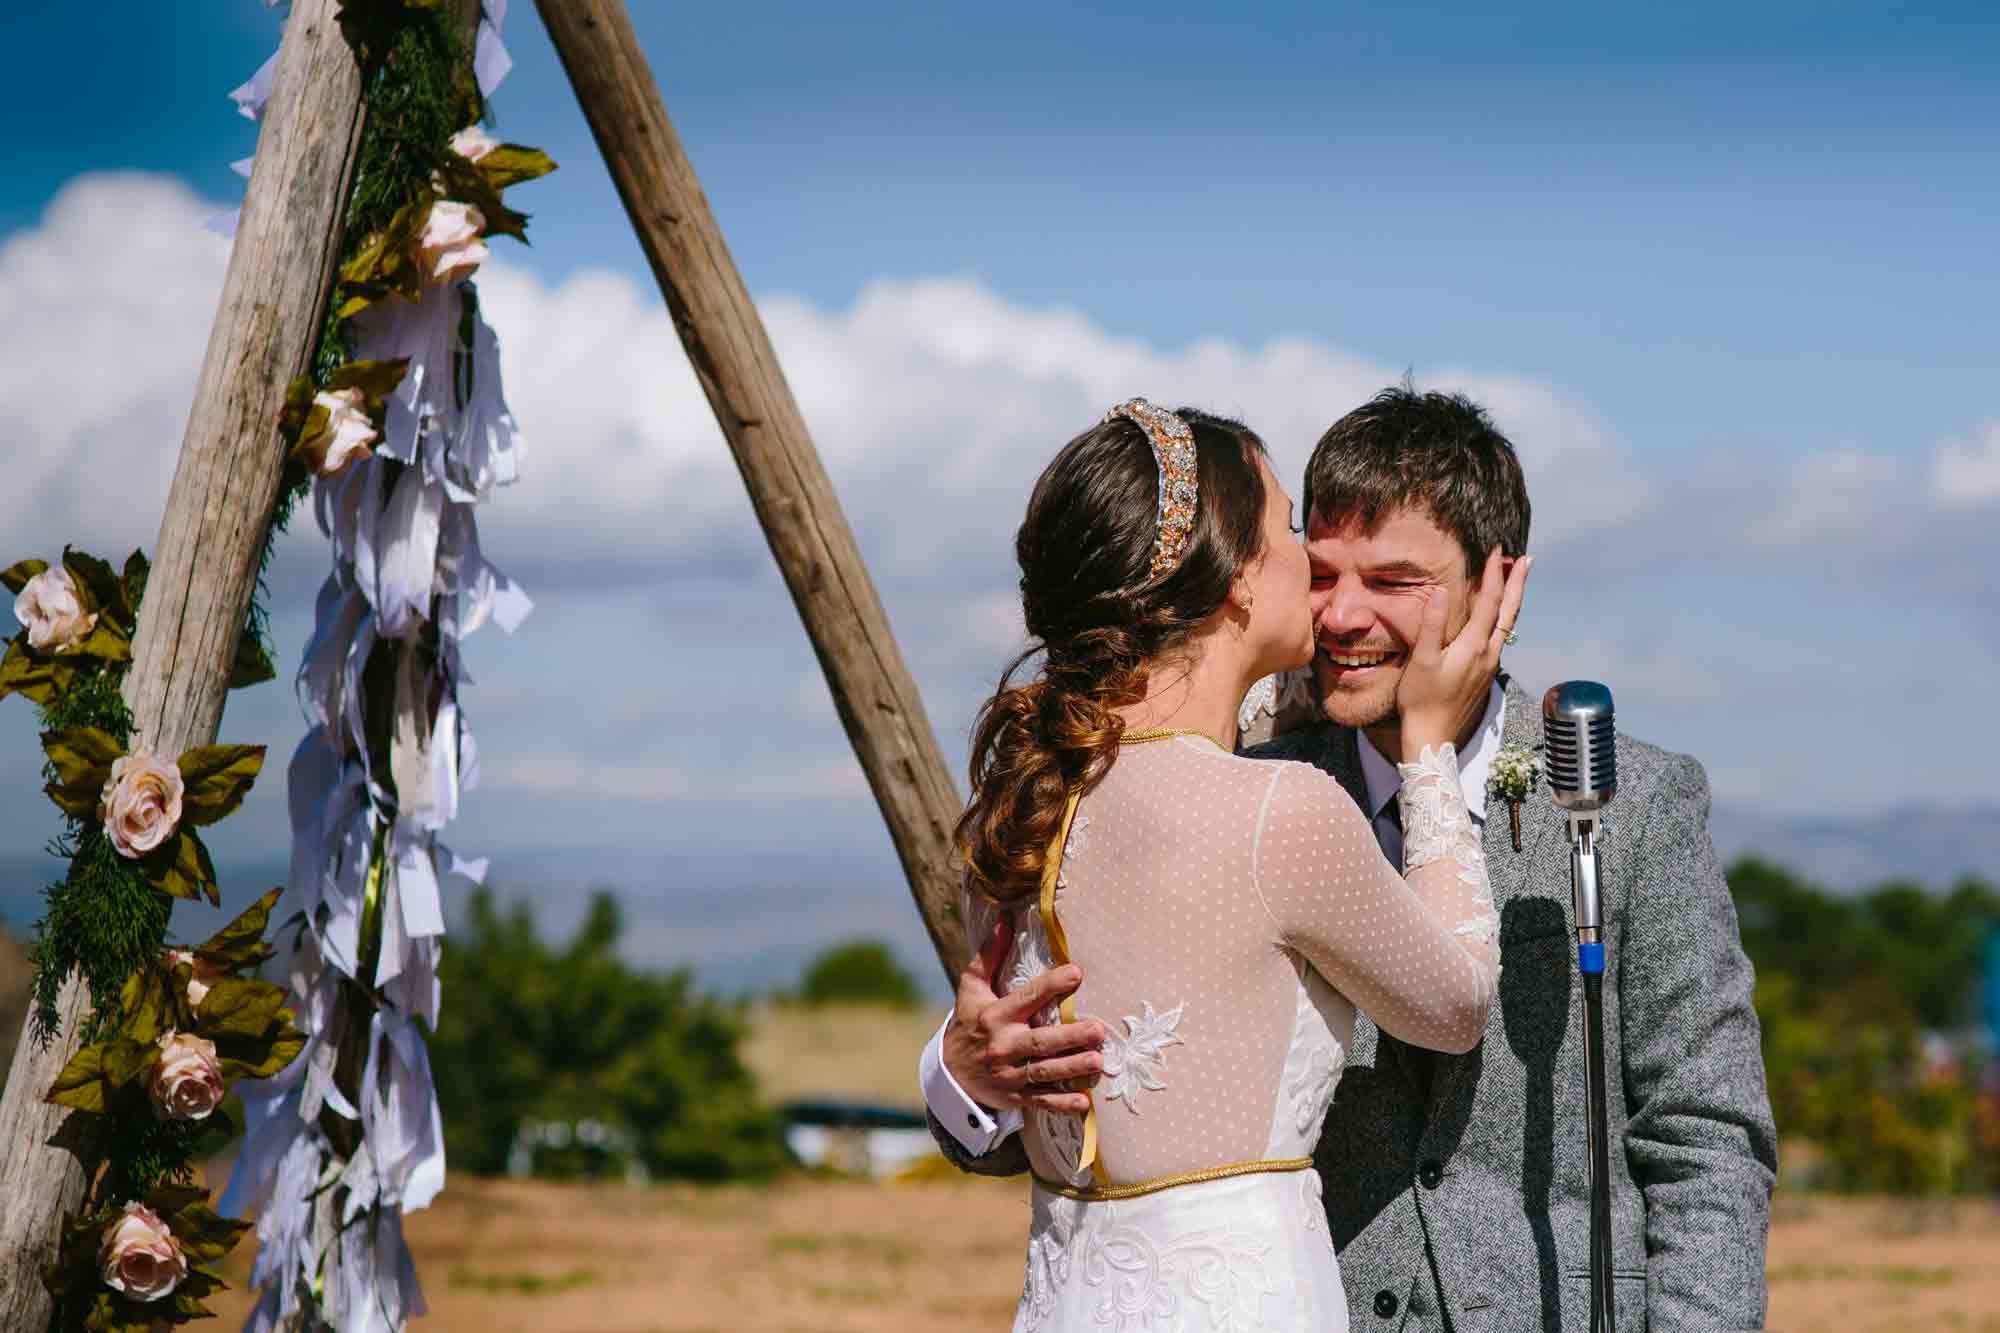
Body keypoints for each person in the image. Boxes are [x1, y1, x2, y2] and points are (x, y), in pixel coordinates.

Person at [923, 386, 1779, 1332]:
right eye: (1321, 571)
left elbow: (1705, 1134)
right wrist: (960, 1077)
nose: (1342, 616)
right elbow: (1101, 1121)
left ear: (1497, 585)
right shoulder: (1247, 792)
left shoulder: (1638, 807)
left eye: (1394, 580)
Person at [939, 396, 1527, 1330]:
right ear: (1238, 582)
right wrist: (1424, 750)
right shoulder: (1279, 809)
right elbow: (1454, 1008)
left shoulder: (1028, 800)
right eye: (1289, 529)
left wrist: (949, 1070)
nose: (1319, 572)